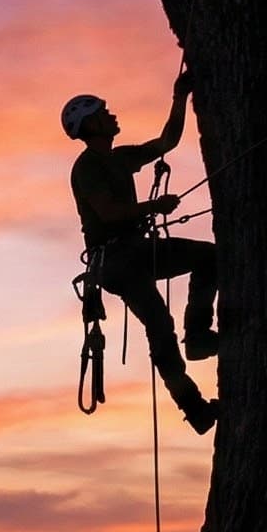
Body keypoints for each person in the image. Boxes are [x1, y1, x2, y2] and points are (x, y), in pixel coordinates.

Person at [62, 70, 220, 434]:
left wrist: (180, 97)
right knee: (160, 327)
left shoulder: (119, 158)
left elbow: (168, 141)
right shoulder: (87, 167)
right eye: (104, 112)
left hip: (135, 252)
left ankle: (197, 336)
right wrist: (154, 207)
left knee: (209, 257)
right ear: (90, 124)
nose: (112, 115)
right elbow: (108, 213)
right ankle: (194, 407)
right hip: (117, 262)